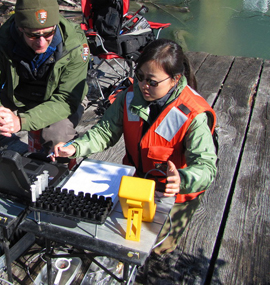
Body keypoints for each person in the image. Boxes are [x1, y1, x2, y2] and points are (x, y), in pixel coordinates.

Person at [52, 38, 218, 255]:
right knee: (125, 238)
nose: (143, 85)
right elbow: (105, 132)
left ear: (175, 79)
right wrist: (75, 147)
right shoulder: (130, 96)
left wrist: (182, 180)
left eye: (152, 81)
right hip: (137, 183)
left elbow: (206, 166)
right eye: (140, 76)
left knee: (158, 248)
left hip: (172, 193)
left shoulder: (193, 113)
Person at [0, 0, 90, 153]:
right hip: (19, 96)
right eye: (32, 35)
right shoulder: (5, 40)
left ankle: (58, 172)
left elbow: (66, 99)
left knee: (57, 135)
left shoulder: (75, 46)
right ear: (20, 27)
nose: (41, 42)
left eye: (48, 33)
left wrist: (21, 122)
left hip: (60, 99)